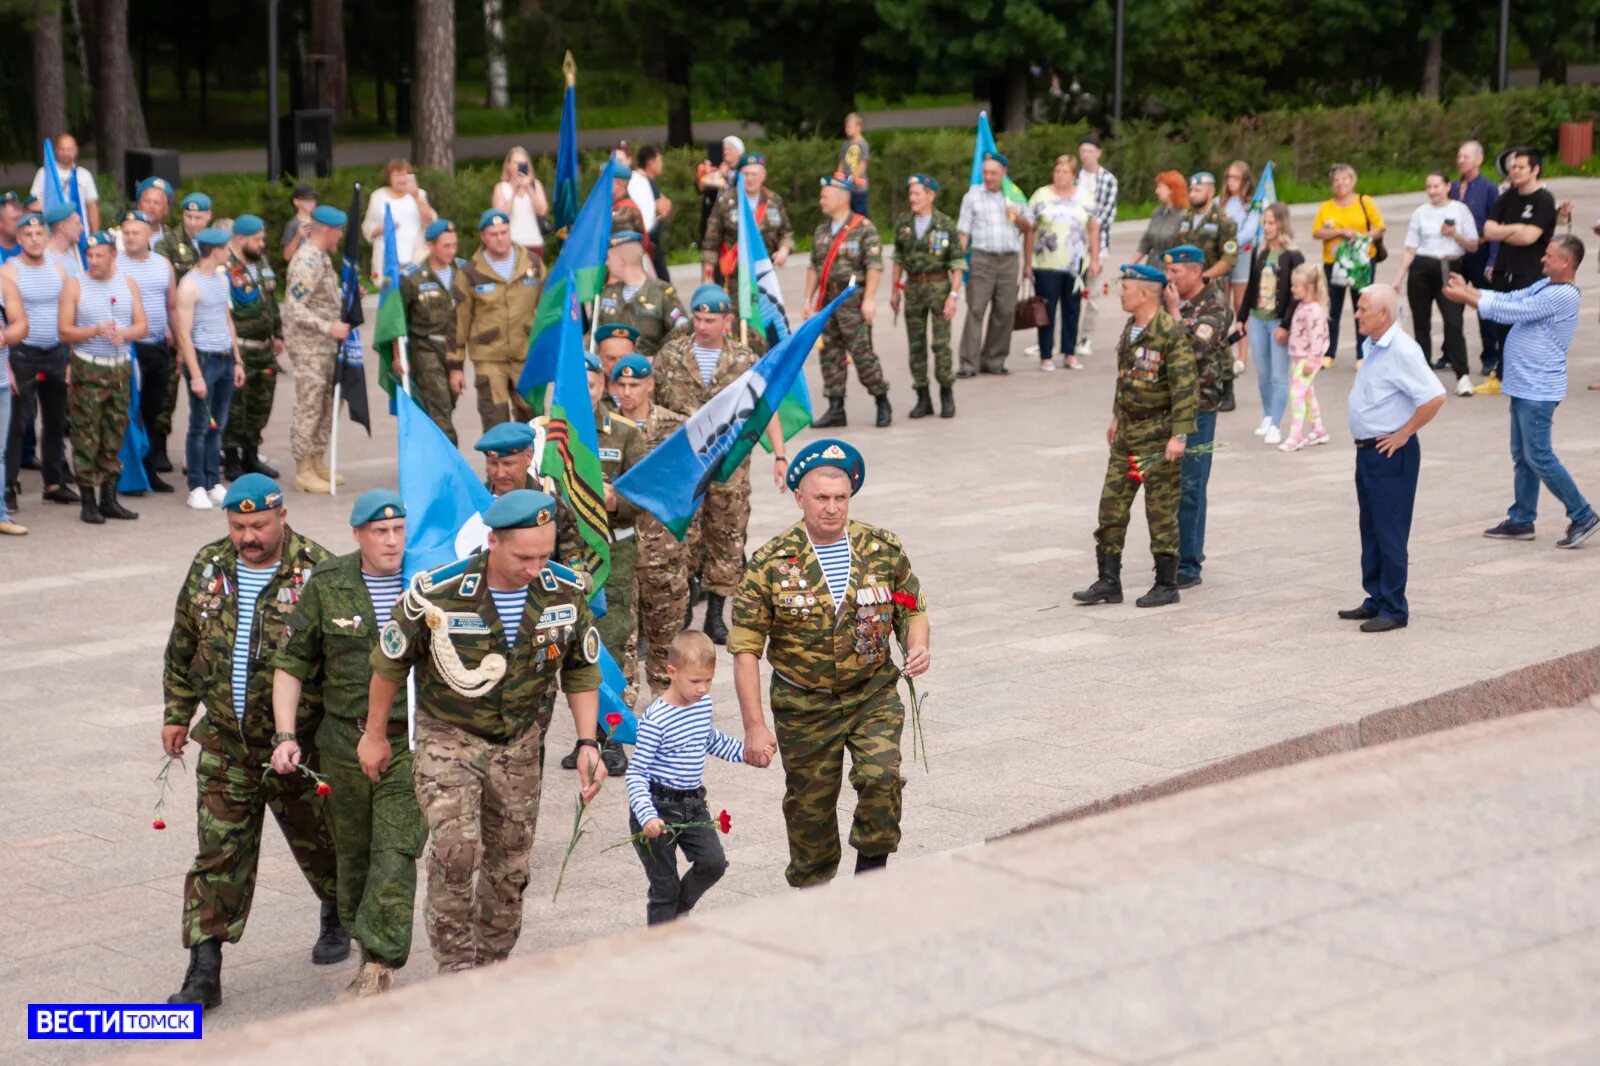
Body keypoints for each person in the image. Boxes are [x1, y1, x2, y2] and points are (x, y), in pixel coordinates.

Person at [359, 489, 607, 973]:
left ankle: (492, 966)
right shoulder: (437, 591)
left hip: (518, 740)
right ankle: (455, 969)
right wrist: (374, 735)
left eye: (544, 555)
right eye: (524, 557)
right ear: (492, 541)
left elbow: (580, 668)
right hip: (450, 734)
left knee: (510, 866)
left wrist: (586, 742)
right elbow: (388, 664)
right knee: (457, 851)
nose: (535, 567)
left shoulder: (565, 589)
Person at [162, 473, 344, 1010]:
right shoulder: (209, 565)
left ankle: (335, 913)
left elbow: (339, 662)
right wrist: (176, 712)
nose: (248, 536)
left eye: (259, 525)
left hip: (299, 749)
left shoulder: (318, 571)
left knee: (322, 843)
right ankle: (204, 966)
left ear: (282, 516)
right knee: (218, 857)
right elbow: (183, 642)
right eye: (238, 525)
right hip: (225, 745)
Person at [730, 438, 930, 884]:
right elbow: (745, 649)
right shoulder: (770, 563)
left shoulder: (881, 549)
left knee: (881, 779)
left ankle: (871, 878)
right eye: (821, 498)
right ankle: (816, 900)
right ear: (798, 496)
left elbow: (910, 606)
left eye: (841, 498)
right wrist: (754, 725)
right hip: (804, 706)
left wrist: (917, 644)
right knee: (810, 809)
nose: (832, 508)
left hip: (871, 694)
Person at [271, 488, 425, 999]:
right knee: (354, 854)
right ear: (357, 534)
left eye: (399, 529)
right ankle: (366, 948)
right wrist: (286, 735)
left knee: (395, 848)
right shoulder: (329, 583)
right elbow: (293, 663)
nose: (392, 540)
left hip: (409, 741)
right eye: (380, 531)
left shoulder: (428, 581)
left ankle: (381, 962)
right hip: (344, 739)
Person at [1443, 235, 1597, 549]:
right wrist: (1470, 289)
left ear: (1566, 262)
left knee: (1539, 455)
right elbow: (1512, 299)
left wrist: (1467, 299)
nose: (1543, 260)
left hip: (1539, 390)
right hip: (1525, 386)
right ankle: (1522, 519)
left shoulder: (1563, 295)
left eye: (1550, 256)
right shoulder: (1545, 286)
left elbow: (1516, 312)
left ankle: (1583, 514)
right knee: (1523, 456)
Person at [655, 285, 787, 641]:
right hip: (684, 466)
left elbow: (765, 408)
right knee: (681, 538)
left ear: (727, 320)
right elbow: (649, 404)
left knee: (727, 537)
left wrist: (779, 455)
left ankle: (715, 614)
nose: (701, 325)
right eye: (697, 318)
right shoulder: (670, 356)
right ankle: (681, 611)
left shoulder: (744, 360)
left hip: (729, 467)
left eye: (710, 319)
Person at [1073, 264, 1197, 609]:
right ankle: (1108, 581)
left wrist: (1180, 436)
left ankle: (1166, 583)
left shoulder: (1170, 332)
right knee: (1111, 507)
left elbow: (1185, 387)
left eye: (1125, 287)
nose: (1120, 292)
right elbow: (1125, 378)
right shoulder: (1131, 327)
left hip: (1157, 435)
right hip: (1127, 432)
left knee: (1160, 511)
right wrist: (1115, 415)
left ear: (1145, 293)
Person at [625, 630, 755, 925]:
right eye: (695, 681)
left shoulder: (702, 705)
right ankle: (660, 946)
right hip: (657, 806)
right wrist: (647, 816)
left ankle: (676, 915)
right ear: (672, 672)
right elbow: (636, 773)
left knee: (713, 863)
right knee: (664, 886)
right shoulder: (655, 720)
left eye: (708, 680)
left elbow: (709, 738)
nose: (702, 689)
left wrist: (745, 753)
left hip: (693, 804)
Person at [1340, 284, 1446, 633]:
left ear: (1383, 314)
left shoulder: (1402, 349)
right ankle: (1376, 596)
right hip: (1367, 452)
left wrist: (1404, 433)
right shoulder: (1373, 345)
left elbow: (1433, 396)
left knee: (1390, 530)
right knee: (1370, 527)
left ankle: (1394, 608)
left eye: (1362, 308)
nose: (1356, 313)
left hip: (1390, 453)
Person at [610, 354, 690, 694]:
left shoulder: (677, 428)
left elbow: (691, 488)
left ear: (651, 385)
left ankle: (667, 723)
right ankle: (615, 735)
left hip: (664, 554)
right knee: (621, 648)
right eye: (621, 385)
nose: (627, 393)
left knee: (666, 646)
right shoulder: (604, 430)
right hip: (618, 554)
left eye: (635, 385)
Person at [58, 230, 147, 524]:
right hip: (88, 365)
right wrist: (94, 331)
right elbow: (64, 331)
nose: (93, 261)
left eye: (99, 255)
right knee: (85, 434)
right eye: (89, 255)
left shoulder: (127, 283)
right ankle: (87, 500)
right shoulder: (75, 284)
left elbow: (142, 326)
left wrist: (125, 333)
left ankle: (109, 497)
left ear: (113, 256)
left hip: (119, 367)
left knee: (114, 432)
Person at [1162, 245, 1232, 592]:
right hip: (1169, 407)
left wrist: (1175, 314)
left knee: (1191, 484)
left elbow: (1195, 348)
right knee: (1169, 484)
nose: (1169, 278)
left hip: (1201, 407)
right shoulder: (1172, 302)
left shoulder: (1214, 304)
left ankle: (1189, 563)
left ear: (1194, 271)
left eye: (1175, 272)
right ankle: (1170, 556)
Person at [588, 355, 645, 769]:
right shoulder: (549, 435)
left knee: (609, 641)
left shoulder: (624, 433)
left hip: (612, 551)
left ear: (602, 385)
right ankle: (583, 737)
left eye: (590, 385)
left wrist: (614, 500)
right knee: (569, 646)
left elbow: (641, 497)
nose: (584, 393)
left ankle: (610, 735)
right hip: (566, 555)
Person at [1476, 148, 1562, 395]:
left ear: (1534, 170)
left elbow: (1529, 237)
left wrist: (1507, 230)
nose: (1514, 171)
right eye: (1513, 167)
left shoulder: (1544, 200)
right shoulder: (1507, 197)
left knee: (1527, 328)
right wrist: (1515, 229)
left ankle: (1528, 377)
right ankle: (1502, 376)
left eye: (1520, 167)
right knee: (1502, 325)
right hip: (1504, 271)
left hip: (1530, 273)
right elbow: (1489, 229)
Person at [806, 176, 888, 428]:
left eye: (825, 196)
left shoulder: (864, 228)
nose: (821, 201)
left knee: (862, 354)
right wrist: (807, 299)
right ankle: (835, 408)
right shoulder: (821, 231)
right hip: (826, 301)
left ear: (842, 198)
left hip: (852, 300)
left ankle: (881, 399)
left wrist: (869, 299)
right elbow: (814, 267)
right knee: (829, 354)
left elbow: (874, 265)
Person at [4, 213, 74, 508]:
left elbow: (68, 313)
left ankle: (54, 481)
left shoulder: (59, 269)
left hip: (56, 352)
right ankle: (8, 484)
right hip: (23, 354)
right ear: (19, 239)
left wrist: (69, 358)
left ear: (45, 237)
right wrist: (5, 364)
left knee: (56, 421)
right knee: (17, 423)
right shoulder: (9, 271)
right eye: (28, 235)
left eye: (38, 234)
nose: (34, 239)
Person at [1390, 172, 1480, 398]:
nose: (1432, 191)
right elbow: (1411, 247)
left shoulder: (1460, 210)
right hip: (1421, 267)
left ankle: (1462, 375)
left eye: (1437, 186)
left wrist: (1454, 234)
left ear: (1448, 186)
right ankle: (1424, 376)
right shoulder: (1420, 212)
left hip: (1448, 266)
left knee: (1453, 321)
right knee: (1421, 324)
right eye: (1428, 186)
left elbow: (1473, 245)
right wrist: (1399, 277)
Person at [281, 204, 349, 495]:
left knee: (325, 402)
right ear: (329, 231)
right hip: (310, 347)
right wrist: (327, 327)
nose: (342, 236)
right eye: (339, 231)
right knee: (309, 404)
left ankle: (317, 458)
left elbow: (322, 297)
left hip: (325, 347)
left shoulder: (322, 258)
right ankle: (303, 468)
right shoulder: (307, 260)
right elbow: (294, 308)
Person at [453, 208, 542, 431]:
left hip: (526, 356)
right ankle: (500, 467)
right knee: (496, 422)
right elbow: (458, 321)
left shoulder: (532, 264)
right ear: (483, 236)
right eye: (494, 234)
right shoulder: (471, 272)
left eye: (504, 231)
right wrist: (455, 365)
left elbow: (549, 308)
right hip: (489, 357)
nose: (500, 238)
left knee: (533, 423)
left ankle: (533, 467)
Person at [174, 227, 242, 511]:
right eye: (226, 248)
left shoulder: (222, 279)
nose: (229, 252)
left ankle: (214, 481)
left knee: (219, 424)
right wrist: (196, 375)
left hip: (225, 356)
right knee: (201, 425)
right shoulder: (190, 284)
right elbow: (183, 334)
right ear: (215, 250)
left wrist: (237, 359)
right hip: (203, 359)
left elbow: (227, 319)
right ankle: (196, 485)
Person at [889, 174, 962, 418]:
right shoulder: (903, 223)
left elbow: (957, 262)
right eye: (910, 194)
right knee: (916, 345)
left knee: (941, 345)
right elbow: (897, 259)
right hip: (913, 289)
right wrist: (895, 291)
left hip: (939, 287)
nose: (912, 198)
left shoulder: (945, 224)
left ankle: (946, 393)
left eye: (917, 193)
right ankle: (923, 397)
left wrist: (953, 295)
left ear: (930, 195)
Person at [957, 153, 1032, 380]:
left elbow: (1030, 228)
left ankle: (994, 359)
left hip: (1008, 260)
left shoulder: (1015, 196)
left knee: (1005, 311)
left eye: (993, 173)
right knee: (976, 309)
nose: (988, 177)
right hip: (982, 259)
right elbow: (963, 233)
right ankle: (968, 362)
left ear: (1003, 173)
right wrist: (956, 263)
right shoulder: (972, 197)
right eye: (985, 172)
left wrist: (1017, 217)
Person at [220, 215, 284, 481]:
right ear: (242, 238)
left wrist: (278, 332)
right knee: (236, 405)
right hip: (241, 347)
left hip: (264, 348)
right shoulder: (225, 266)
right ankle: (232, 458)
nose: (262, 243)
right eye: (257, 239)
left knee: (260, 403)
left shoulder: (261, 264)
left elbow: (271, 301)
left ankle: (251, 455)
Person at [118, 209, 178, 493]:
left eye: (136, 233)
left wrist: (178, 340)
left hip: (156, 347)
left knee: (154, 411)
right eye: (126, 233)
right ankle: (126, 473)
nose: (130, 238)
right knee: (127, 413)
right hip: (127, 350)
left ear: (148, 235)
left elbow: (172, 306)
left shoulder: (163, 264)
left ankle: (151, 470)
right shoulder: (113, 264)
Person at [1027, 156, 1101, 372]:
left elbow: (1093, 228)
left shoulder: (1084, 197)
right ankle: (1046, 354)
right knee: (1047, 310)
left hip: (1075, 264)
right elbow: (1030, 228)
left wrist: (1094, 259)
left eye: (1065, 171)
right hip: (1046, 262)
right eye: (1057, 170)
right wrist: (1027, 260)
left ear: (1073, 175)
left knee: (1072, 308)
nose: (1060, 175)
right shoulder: (1041, 195)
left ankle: (1069, 353)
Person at [1238, 202, 1304, 444]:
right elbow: (1251, 286)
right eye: (1264, 222)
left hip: (1277, 322)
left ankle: (1276, 422)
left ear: (1282, 224)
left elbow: (1297, 294)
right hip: (1258, 318)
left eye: (1271, 222)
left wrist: (1286, 325)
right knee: (1263, 373)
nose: (1266, 227)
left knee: (1279, 375)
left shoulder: (1293, 256)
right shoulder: (1261, 252)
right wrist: (1241, 317)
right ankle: (1267, 415)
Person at [397, 219, 466, 443]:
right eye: (446, 246)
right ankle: (450, 461)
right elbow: (399, 319)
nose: (452, 251)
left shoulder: (464, 271)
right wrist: (398, 356)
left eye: (454, 245)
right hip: (426, 347)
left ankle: (427, 449)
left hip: (456, 349)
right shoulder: (412, 277)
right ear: (430, 246)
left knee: (448, 402)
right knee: (440, 405)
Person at [1311, 163, 1385, 369]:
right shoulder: (1326, 207)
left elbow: (1379, 227)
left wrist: (1361, 236)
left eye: (1345, 179)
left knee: (1361, 306)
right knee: (1332, 307)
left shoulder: (1364, 201)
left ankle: (1363, 352)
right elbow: (1316, 232)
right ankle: (1329, 352)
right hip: (1333, 263)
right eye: (1336, 180)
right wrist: (1340, 233)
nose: (1340, 183)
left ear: (1353, 181)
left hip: (1360, 262)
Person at [701, 151, 794, 287]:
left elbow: (786, 231)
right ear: (739, 175)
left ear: (763, 176)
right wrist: (708, 277)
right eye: (746, 174)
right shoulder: (726, 201)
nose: (750, 179)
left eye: (754, 174)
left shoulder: (773, 200)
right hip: (732, 275)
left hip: (764, 273)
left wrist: (784, 250)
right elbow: (711, 240)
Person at [1450, 141, 1500, 376]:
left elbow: (1494, 226)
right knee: (1452, 304)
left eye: (1466, 156)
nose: (1461, 160)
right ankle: (1449, 353)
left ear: (1479, 159)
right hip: (1456, 253)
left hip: (1479, 252)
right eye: (1459, 156)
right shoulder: (1452, 187)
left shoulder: (1489, 188)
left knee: (1483, 306)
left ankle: (1490, 356)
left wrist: (1492, 259)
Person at [596, 230, 686, 358]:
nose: (606, 263)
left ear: (622, 260)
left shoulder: (661, 293)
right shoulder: (607, 293)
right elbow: (594, 334)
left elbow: (682, 334)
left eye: (609, 258)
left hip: (648, 372)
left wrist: (658, 360)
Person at [1073, 133, 1119, 361]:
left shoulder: (1108, 180)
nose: (1085, 155)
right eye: (1082, 151)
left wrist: (1095, 254)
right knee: (1068, 291)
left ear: (1098, 153)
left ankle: (1086, 337)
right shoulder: (1074, 178)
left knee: (1092, 293)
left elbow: (1105, 217)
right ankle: (1064, 337)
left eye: (1090, 151)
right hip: (1072, 245)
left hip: (1097, 245)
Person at [1280, 264, 1332, 452]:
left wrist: (1311, 361)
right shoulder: (1303, 306)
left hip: (1307, 360)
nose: (1292, 289)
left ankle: (1295, 436)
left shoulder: (1314, 311)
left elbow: (1317, 339)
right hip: (1298, 357)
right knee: (1308, 394)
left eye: (1296, 286)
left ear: (1309, 287)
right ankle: (1318, 430)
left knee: (1297, 395)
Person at [362, 159, 435, 281]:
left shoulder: (420, 194)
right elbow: (367, 226)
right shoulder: (378, 196)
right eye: (397, 175)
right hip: (386, 258)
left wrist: (416, 196)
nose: (401, 179)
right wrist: (381, 229)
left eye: (404, 175)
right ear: (389, 178)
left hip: (416, 257)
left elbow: (430, 222)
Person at [0, 261, 26, 534]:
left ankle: (1, 514)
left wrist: (5, 336)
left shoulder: (4, 285)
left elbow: (21, 325)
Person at [29, 133, 99, 230]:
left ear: (76, 150)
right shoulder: (45, 173)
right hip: (52, 231)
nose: (65, 153)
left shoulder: (84, 175)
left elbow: (92, 206)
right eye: (62, 149)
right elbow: (33, 204)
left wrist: (95, 234)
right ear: (56, 150)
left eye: (69, 149)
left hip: (80, 231)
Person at [492, 146, 549, 262]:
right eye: (515, 163)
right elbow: (499, 216)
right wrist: (513, 192)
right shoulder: (501, 188)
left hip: (534, 242)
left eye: (522, 163)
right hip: (511, 245)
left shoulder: (535, 185)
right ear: (508, 165)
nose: (518, 167)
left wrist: (528, 188)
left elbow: (542, 210)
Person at [633, 145, 673, 277]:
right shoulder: (646, 182)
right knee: (662, 280)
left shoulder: (639, 180)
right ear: (650, 163)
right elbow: (664, 208)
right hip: (649, 240)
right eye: (659, 160)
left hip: (646, 240)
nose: (662, 164)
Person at [1136, 171, 1189, 265]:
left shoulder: (1185, 217)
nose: (1156, 191)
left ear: (1172, 189)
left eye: (1160, 187)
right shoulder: (1156, 213)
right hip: (1152, 267)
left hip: (1172, 268)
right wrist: (1131, 265)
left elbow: (1185, 251)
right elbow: (1145, 243)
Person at [696, 135, 742, 243]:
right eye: (724, 149)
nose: (726, 152)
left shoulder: (744, 171)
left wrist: (726, 179)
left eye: (730, 149)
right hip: (715, 217)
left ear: (739, 153)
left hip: (735, 217)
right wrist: (716, 174)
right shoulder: (715, 171)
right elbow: (700, 187)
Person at [839, 112, 871, 217]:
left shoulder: (863, 144)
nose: (846, 129)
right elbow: (842, 162)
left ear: (858, 127)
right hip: (846, 189)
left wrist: (852, 178)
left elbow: (862, 164)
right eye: (846, 127)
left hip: (859, 189)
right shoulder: (845, 144)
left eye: (849, 127)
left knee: (859, 215)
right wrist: (839, 178)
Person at [280, 184, 319, 261]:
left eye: (313, 199)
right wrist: (298, 236)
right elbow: (286, 256)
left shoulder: (319, 221)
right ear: (296, 201)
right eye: (307, 200)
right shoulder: (292, 225)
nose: (311, 202)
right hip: (302, 270)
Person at [44, 203, 84, 277]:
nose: (82, 228)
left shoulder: (70, 254)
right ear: (63, 227)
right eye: (77, 224)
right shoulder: (44, 257)